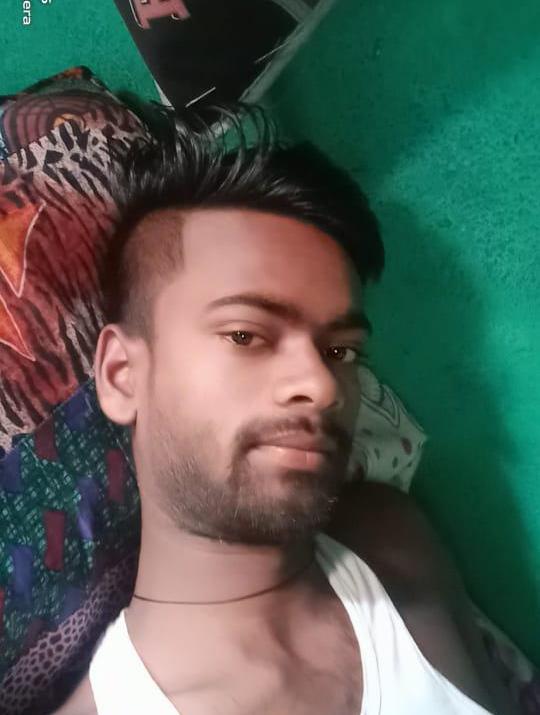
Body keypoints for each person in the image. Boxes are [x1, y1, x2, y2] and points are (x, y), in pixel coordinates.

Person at [55, 105, 515, 715]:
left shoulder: (393, 538)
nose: (323, 386)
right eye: (246, 335)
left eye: (341, 350)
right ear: (121, 375)